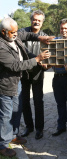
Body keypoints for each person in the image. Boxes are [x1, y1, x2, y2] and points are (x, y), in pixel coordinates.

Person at [0, 17, 50, 157]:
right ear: (4, 32)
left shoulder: (14, 36)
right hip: (6, 85)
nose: (16, 34)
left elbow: (27, 34)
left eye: (16, 31)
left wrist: (40, 37)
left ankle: (14, 135)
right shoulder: (1, 46)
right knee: (5, 115)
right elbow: (16, 66)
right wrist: (37, 59)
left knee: (17, 110)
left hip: (18, 82)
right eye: (12, 32)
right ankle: (3, 145)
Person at [19, 10, 48, 140]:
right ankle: (28, 126)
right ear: (31, 20)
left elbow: (48, 57)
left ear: (42, 23)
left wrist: (47, 65)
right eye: (34, 19)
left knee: (38, 102)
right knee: (24, 101)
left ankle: (39, 129)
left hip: (37, 74)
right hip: (23, 73)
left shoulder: (45, 36)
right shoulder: (22, 32)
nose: (36, 22)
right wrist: (36, 58)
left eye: (39, 20)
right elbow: (22, 52)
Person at [52, 18, 67, 141]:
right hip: (57, 78)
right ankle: (61, 127)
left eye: (66, 28)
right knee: (60, 104)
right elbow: (50, 58)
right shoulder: (54, 41)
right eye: (62, 28)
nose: (63, 30)